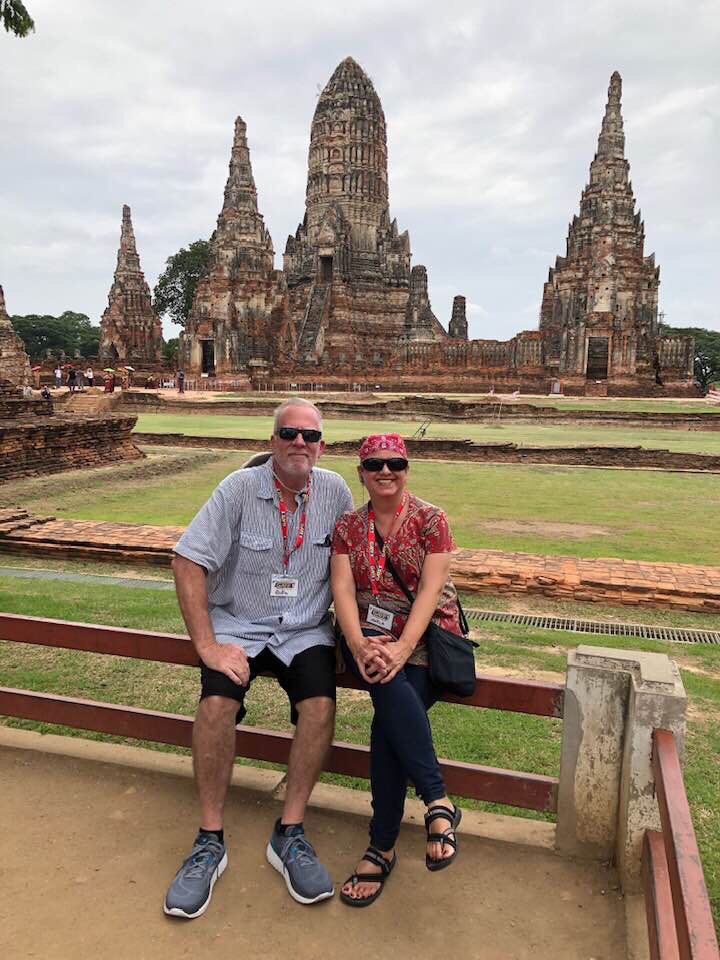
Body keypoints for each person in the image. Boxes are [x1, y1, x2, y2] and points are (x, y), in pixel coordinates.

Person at [164, 398, 353, 919]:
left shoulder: (336, 492)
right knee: (216, 706)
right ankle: (209, 838)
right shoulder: (239, 489)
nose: (299, 443)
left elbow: (353, 567)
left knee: (319, 706)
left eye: (309, 436)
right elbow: (186, 561)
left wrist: (365, 636)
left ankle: (290, 831)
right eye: (289, 433)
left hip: (304, 626)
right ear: (272, 441)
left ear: (321, 447)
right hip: (239, 624)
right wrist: (207, 645)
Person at [330, 433, 463, 907]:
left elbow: (430, 591)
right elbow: (342, 590)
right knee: (386, 685)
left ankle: (382, 846)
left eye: (395, 463)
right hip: (368, 635)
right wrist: (357, 643)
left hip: (426, 637)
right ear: (361, 472)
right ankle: (437, 802)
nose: (385, 471)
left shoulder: (431, 520)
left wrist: (404, 648)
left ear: (407, 469)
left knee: (387, 716)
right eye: (375, 464)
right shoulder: (348, 526)